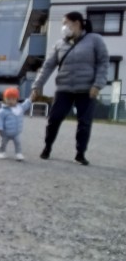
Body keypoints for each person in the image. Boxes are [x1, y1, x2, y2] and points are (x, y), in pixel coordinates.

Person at [30, 11, 109, 165]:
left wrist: (97, 85)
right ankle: (47, 147)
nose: (64, 27)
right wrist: (37, 86)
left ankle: (80, 154)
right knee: (54, 119)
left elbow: (103, 63)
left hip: (87, 90)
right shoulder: (60, 44)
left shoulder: (95, 40)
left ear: (77, 23)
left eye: (66, 23)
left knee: (84, 123)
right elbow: (47, 66)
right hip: (64, 89)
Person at [0, 87, 31, 161]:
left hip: (16, 132)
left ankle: (18, 153)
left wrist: (30, 98)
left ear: (16, 99)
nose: (10, 101)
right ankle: (2, 152)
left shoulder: (20, 108)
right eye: (8, 99)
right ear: (4, 99)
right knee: (3, 143)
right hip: (5, 132)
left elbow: (26, 104)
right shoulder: (2, 111)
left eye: (13, 99)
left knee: (18, 143)